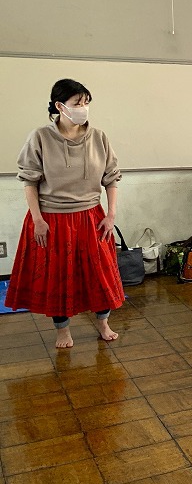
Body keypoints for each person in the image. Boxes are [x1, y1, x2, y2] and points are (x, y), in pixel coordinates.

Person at [5, 79, 122, 348]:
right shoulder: (40, 137)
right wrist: (37, 219)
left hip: (91, 216)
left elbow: (111, 178)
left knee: (99, 274)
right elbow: (29, 181)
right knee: (58, 278)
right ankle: (62, 331)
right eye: (77, 103)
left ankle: (103, 323)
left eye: (86, 103)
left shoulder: (99, 137)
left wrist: (111, 214)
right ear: (59, 106)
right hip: (52, 218)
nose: (83, 108)